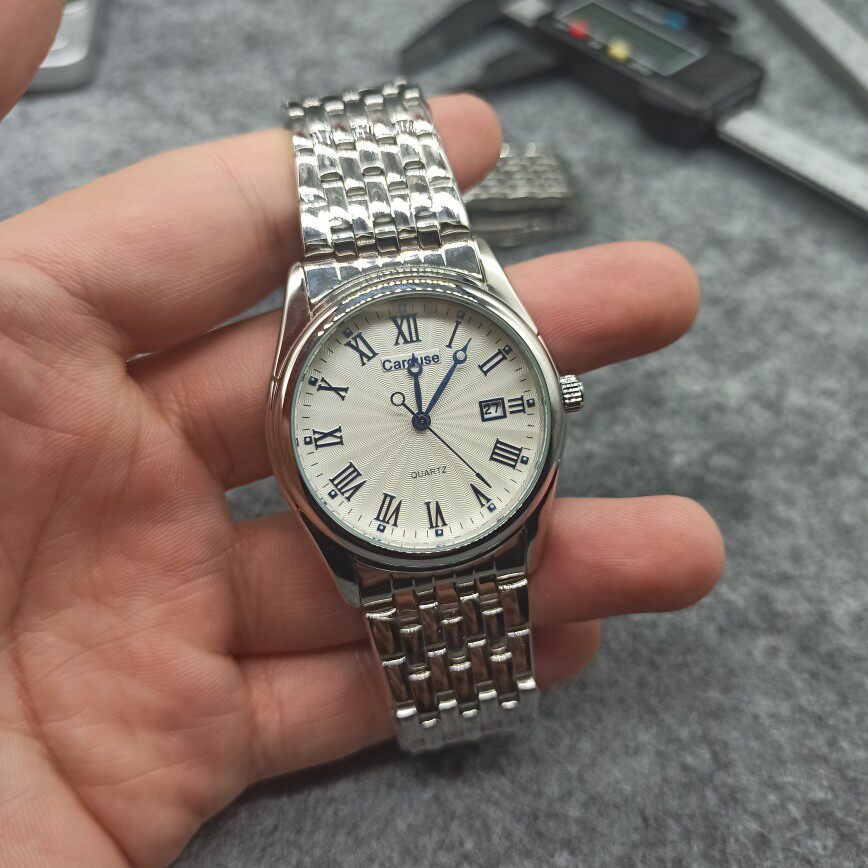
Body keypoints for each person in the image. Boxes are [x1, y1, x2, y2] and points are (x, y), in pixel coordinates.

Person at [0, 2, 724, 864]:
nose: (420, 419)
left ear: (552, 397)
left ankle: (461, 705)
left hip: (464, 508)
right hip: (398, 516)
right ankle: (452, 707)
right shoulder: (312, 387)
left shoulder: (464, 340)